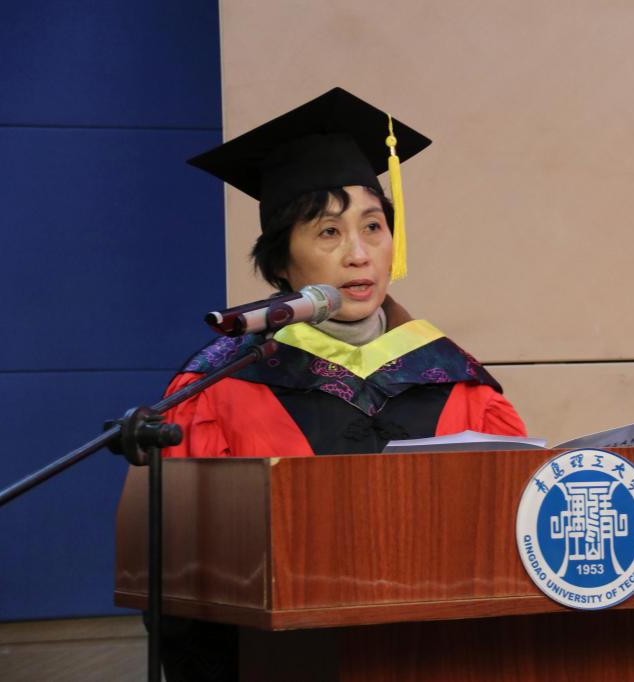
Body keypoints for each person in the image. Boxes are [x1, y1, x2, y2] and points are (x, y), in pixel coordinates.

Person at [155, 87, 526, 681]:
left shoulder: (460, 379)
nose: (359, 254)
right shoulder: (217, 386)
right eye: (328, 232)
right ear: (281, 261)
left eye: (373, 227)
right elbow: (189, 580)